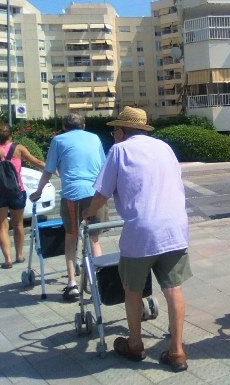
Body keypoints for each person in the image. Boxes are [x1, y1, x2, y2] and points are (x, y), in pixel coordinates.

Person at [82, 107, 191, 372]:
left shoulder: (119, 151)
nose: (114, 135)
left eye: (114, 131)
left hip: (140, 231)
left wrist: (87, 214)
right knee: (173, 288)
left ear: (121, 131)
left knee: (132, 290)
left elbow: (102, 193)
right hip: (174, 228)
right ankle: (177, 351)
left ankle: (135, 344)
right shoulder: (164, 148)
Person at [30, 113, 108, 300]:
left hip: (72, 194)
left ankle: (72, 283)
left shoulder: (58, 140)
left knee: (71, 238)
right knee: (94, 238)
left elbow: (48, 170)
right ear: (84, 125)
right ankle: (97, 280)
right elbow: (104, 166)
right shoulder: (95, 138)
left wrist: (39, 191)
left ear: (64, 127)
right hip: (94, 192)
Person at [0, 123, 46, 269]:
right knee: (18, 224)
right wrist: (52, 169)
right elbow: (36, 161)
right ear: (11, 135)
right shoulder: (19, 148)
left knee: (2, 227)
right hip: (16, 190)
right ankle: (19, 255)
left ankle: (7, 259)